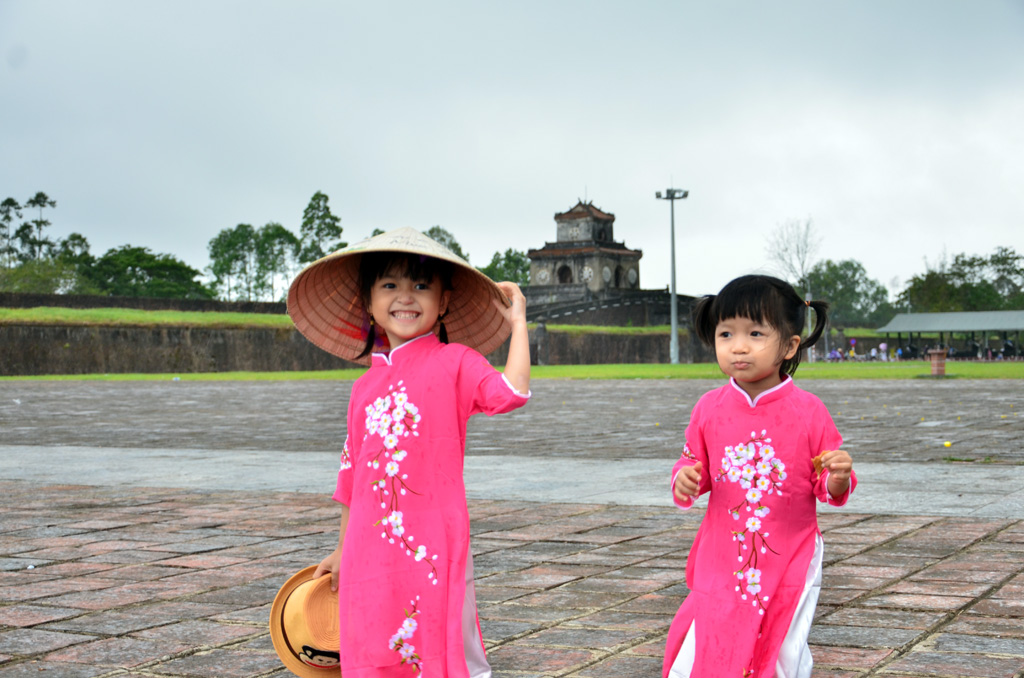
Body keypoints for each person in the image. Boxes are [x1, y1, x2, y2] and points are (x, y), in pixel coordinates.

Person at [288, 227, 531, 677]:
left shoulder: (457, 361)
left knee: (440, 642)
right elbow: (351, 479)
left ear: (443, 301)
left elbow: (512, 392)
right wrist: (341, 549)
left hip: (432, 540)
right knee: (371, 639)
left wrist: (518, 322)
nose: (406, 297)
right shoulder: (363, 387)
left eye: (421, 285)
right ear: (368, 302)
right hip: (366, 545)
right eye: (390, 285)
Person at [664, 274, 856, 678]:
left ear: (789, 345)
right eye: (726, 333)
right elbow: (693, 467)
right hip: (722, 555)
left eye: (755, 333)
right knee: (709, 638)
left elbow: (828, 486)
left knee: (782, 645)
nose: (738, 346)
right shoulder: (709, 409)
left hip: (791, 555)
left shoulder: (809, 411)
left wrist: (838, 478)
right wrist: (685, 479)